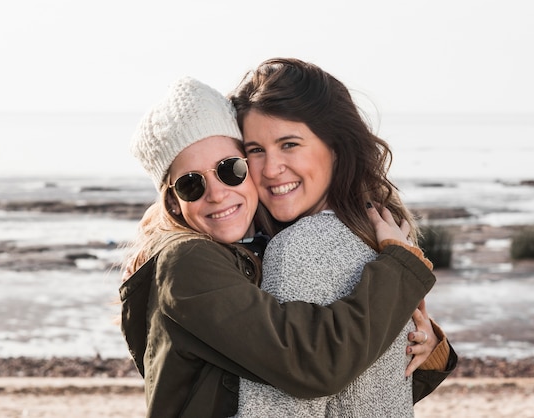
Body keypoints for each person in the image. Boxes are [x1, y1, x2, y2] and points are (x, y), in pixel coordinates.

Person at [120, 76, 445, 418]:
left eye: (231, 169)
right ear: (172, 203)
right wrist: (399, 270)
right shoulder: (189, 260)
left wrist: (426, 343)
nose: (216, 193)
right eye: (190, 185)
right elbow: (311, 364)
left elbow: (359, 392)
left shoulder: (255, 250)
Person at [229, 57, 456, 416]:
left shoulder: (298, 249)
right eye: (255, 150)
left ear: (336, 147)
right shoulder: (378, 236)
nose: (271, 169)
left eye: (290, 144)